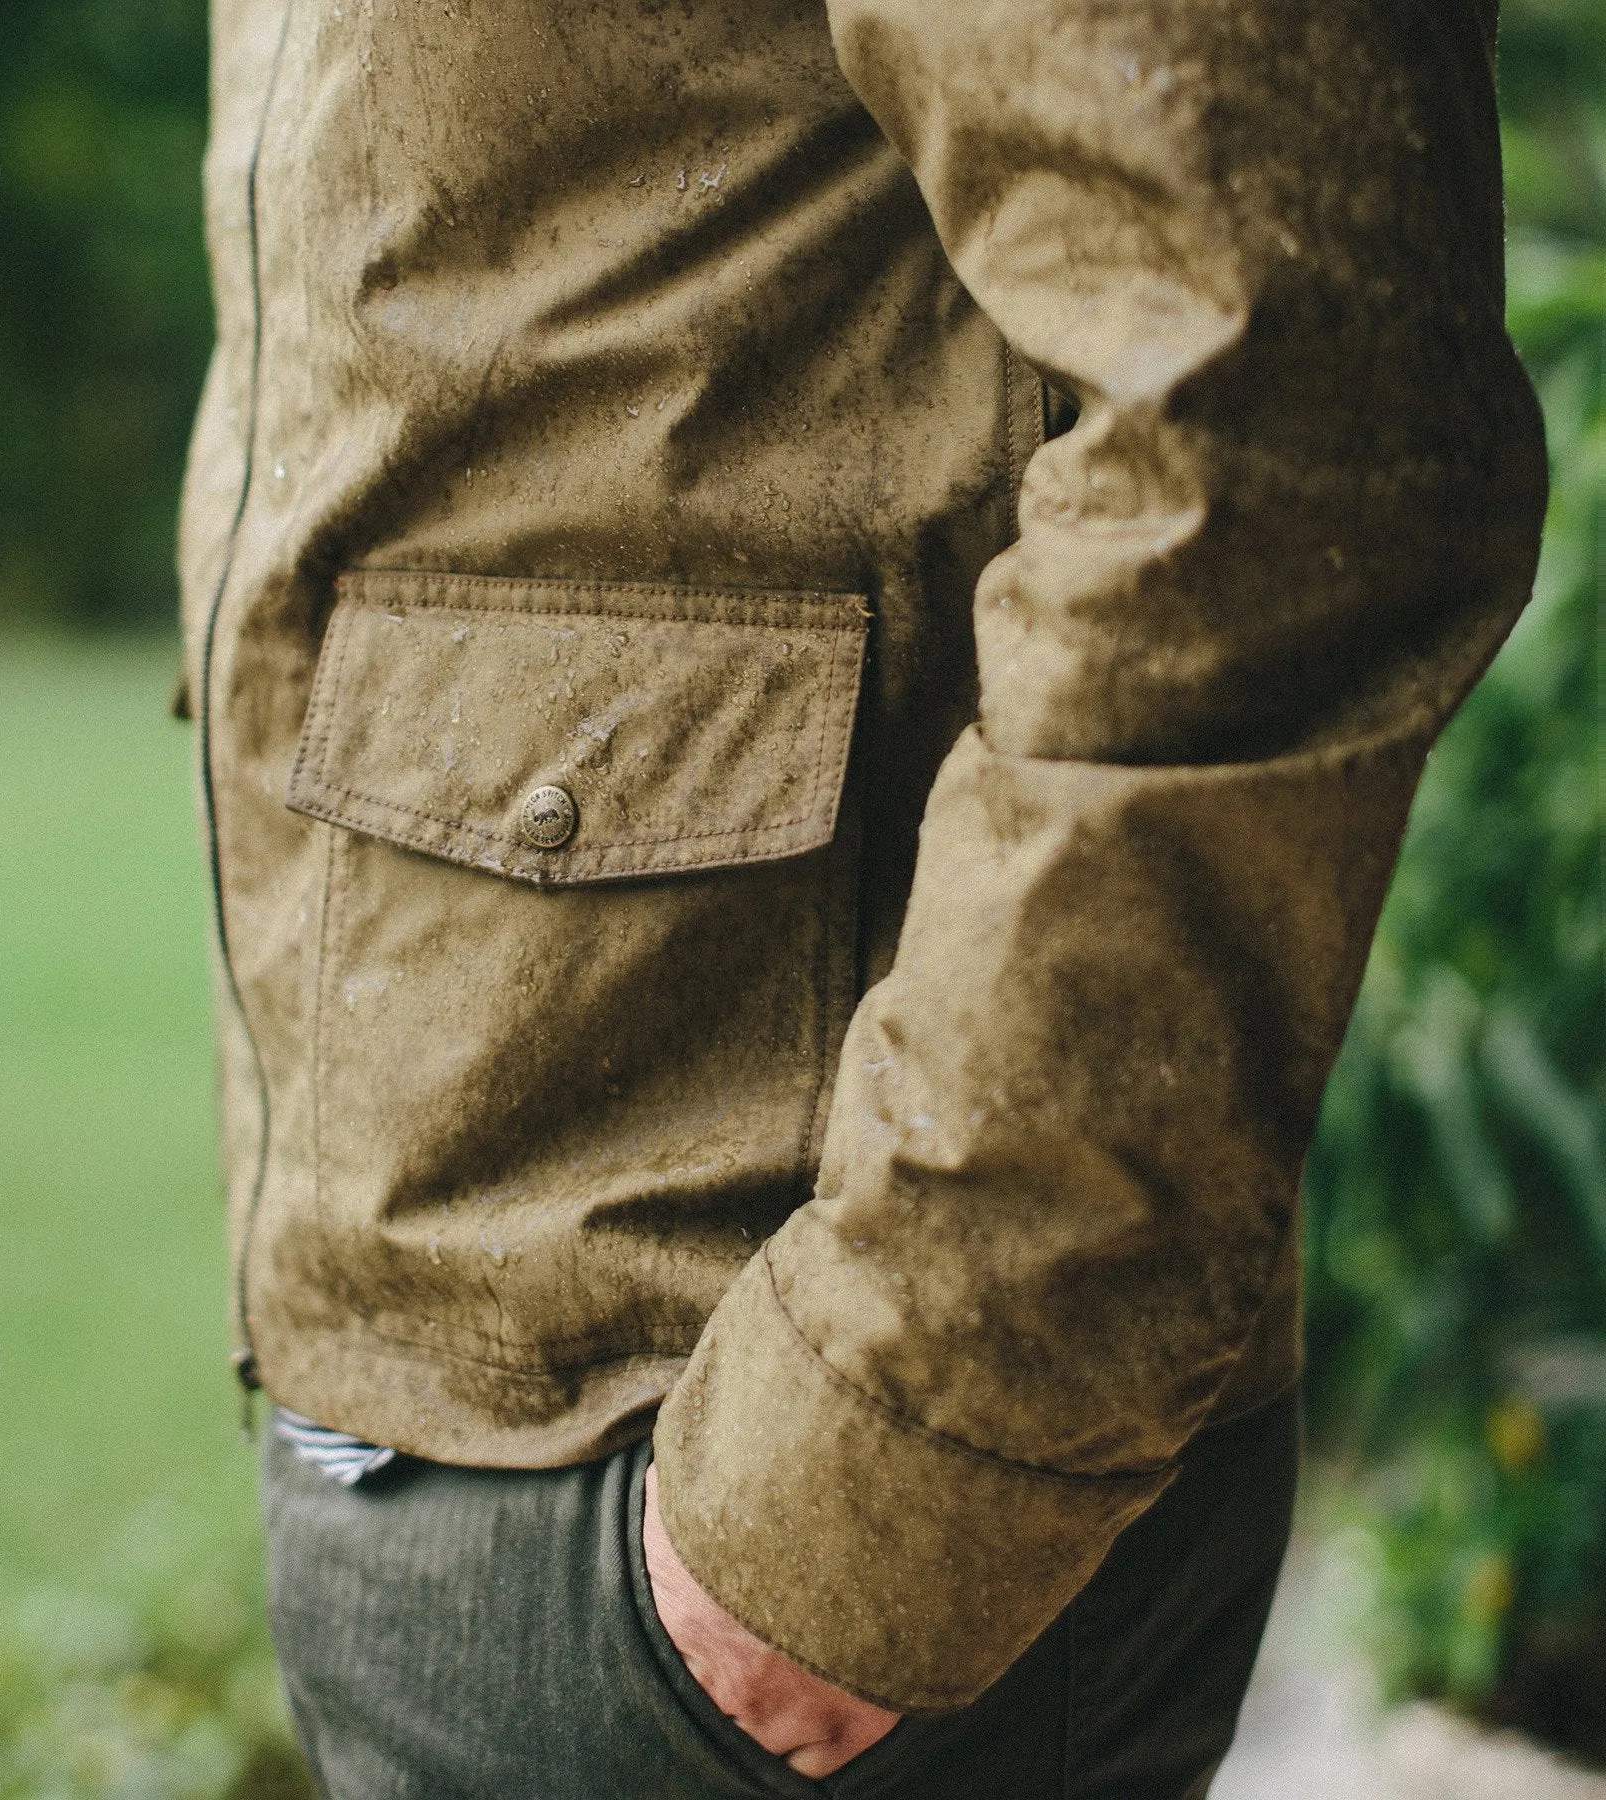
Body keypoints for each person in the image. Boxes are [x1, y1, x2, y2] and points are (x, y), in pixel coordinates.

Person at [178, 1, 1546, 1793]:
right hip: (467, 1402)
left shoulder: (825, 1531)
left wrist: (884, 1486)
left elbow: (1274, 393)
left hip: (784, 1488)